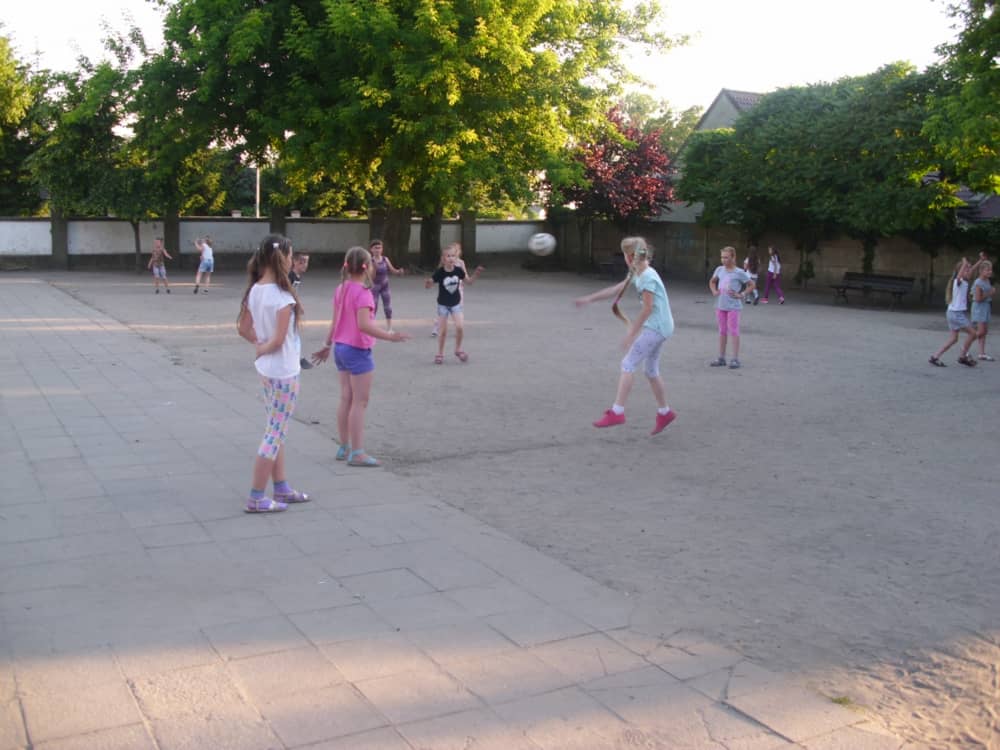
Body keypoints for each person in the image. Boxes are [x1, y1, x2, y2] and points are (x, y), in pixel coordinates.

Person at [312, 246, 410, 467]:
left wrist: (327, 344)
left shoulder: (341, 288)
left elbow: (335, 321)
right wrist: (390, 336)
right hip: (357, 350)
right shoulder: (364, 293)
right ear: (368, 267)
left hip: (340, 348)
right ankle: (357, 452)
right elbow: (364, 325)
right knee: (360, 401)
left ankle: (344, 446)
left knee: (346, 398)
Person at [236, 234, 310, 513]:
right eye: (291, 256)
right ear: (283, 257)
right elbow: (278, 341)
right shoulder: (282, 296)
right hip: (284, 372)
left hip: (268, 371)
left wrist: (259, 344)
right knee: (274, 434)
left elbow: (243, 328)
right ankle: (256, 497)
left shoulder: (255, 290)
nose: (292, 261)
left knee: (275, 430)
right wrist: (263, 347)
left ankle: (281, 487)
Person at [574, 237, 677, 435]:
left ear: (629, 256)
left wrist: (631, 334)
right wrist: (589, 299)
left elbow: (647, 309)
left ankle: (617, 411)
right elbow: (616, 290)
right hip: (662, 326)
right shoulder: (638, 272)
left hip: (656, 327)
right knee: (651, 371)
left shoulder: (646, 277)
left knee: (628, 364)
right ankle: (665, 412)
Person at [425, 243, 483, 364]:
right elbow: (429, 285)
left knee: (460, 327)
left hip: (456, 304)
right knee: (443, 331)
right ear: (443, 259)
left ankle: (458, 350)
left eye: (453, 256)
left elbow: (469, 282)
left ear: (456, 258)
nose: (451, 258)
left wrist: (476, 275)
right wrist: (428, 283)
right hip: (443, 305)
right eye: (448, 256)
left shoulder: (458, 270)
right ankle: (440, 353)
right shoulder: (440, 272)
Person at [929, 256, 984, 367]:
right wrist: (964, 264)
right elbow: (959, 276)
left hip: (952, 313)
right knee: (973, 333)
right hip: (956, 314)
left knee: (954, 339)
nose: (969, 271)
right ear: (960, 271)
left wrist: (980, 261)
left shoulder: (964, 281)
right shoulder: (957, 282)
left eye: (968, 270)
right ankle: (963, 356)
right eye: (966, 270)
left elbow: (971, 270)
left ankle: (935, 357)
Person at [708, 246, 754, 369]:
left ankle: (735, 359)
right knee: (722, 331)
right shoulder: (719, 269)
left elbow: (751, 285)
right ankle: (721, 357)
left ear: (733, 257)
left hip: (733, 306)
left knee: (734, 331)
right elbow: (712, 281)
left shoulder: (739, 272)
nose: (723, 260)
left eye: (726, 257)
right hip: (720, 305)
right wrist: (714, 291)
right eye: (722, 257)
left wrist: (742, 294)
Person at [368, 239, 405, 333]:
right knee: (374, 306)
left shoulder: (385, 259)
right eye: (375, 248)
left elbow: (393, 270)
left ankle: (389, 328)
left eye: (379, 248)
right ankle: (371, 327)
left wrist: (399, 272)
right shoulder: (370, 261)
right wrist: (375, 268)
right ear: (371, 249)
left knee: (387, 307)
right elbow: (371, 277)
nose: (378, 250)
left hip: (385, 286)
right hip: (374, 287)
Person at [288, 252, 314, 370]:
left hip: (291, 309)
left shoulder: (296, 276)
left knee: (293, 334)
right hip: (288, 310)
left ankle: (296, 358)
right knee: (292, 335)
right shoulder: (291, 276)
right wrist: (298, 305)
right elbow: (290, 292)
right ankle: (297, 359)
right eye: (301, 262)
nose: (304, 265)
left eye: (306, 262)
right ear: (294, 262)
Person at [971, 259, 995, 361]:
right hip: (979, 308)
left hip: (986, 307)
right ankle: (966, 347)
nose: (990, 272)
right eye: (987, 270)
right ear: (981, 271)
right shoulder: (978, 282)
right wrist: (990, 293)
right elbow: (977, 299)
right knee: (980, 331)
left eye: (991, 270)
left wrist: (989, 293)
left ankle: (981, 353)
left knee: (984, 331)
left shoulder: (987, 280)